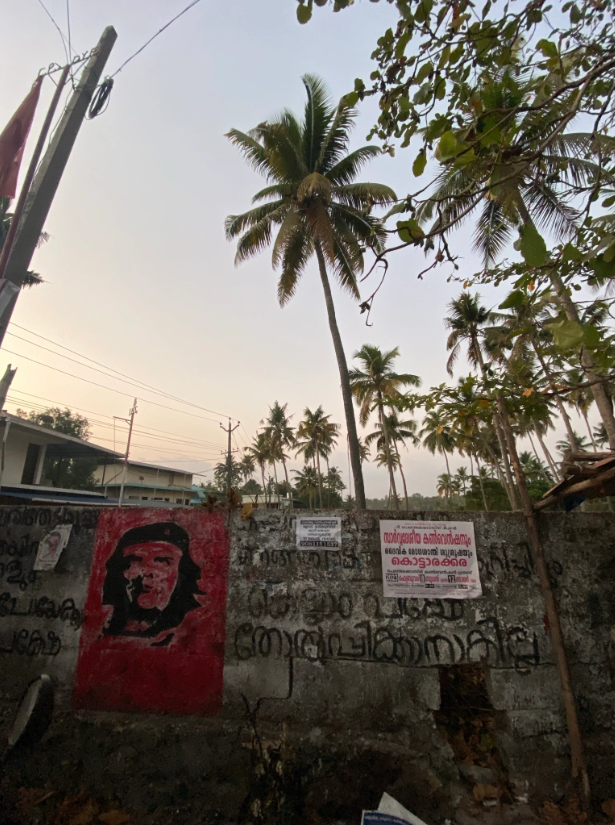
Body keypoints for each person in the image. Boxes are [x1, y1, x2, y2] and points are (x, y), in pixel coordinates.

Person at [102, 522, 204, 642]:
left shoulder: (194, 631)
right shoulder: (106, 628)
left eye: (162, 560)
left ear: (181, 573)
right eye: (134, 560)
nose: (146, 571)